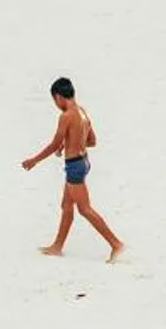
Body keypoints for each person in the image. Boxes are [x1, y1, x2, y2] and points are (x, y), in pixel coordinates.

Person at [22, 76, 125, 261]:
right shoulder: (82, 112)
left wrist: (34, 160)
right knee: (67, 205)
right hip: (83, 162)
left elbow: (54, 145)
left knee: (84, 209)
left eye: (55, 100)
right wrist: (71, 142)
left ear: (58, 97)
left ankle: (115, 243)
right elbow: (92, 141)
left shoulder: (66, 116)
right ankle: (57, 246)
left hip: (74, 166)